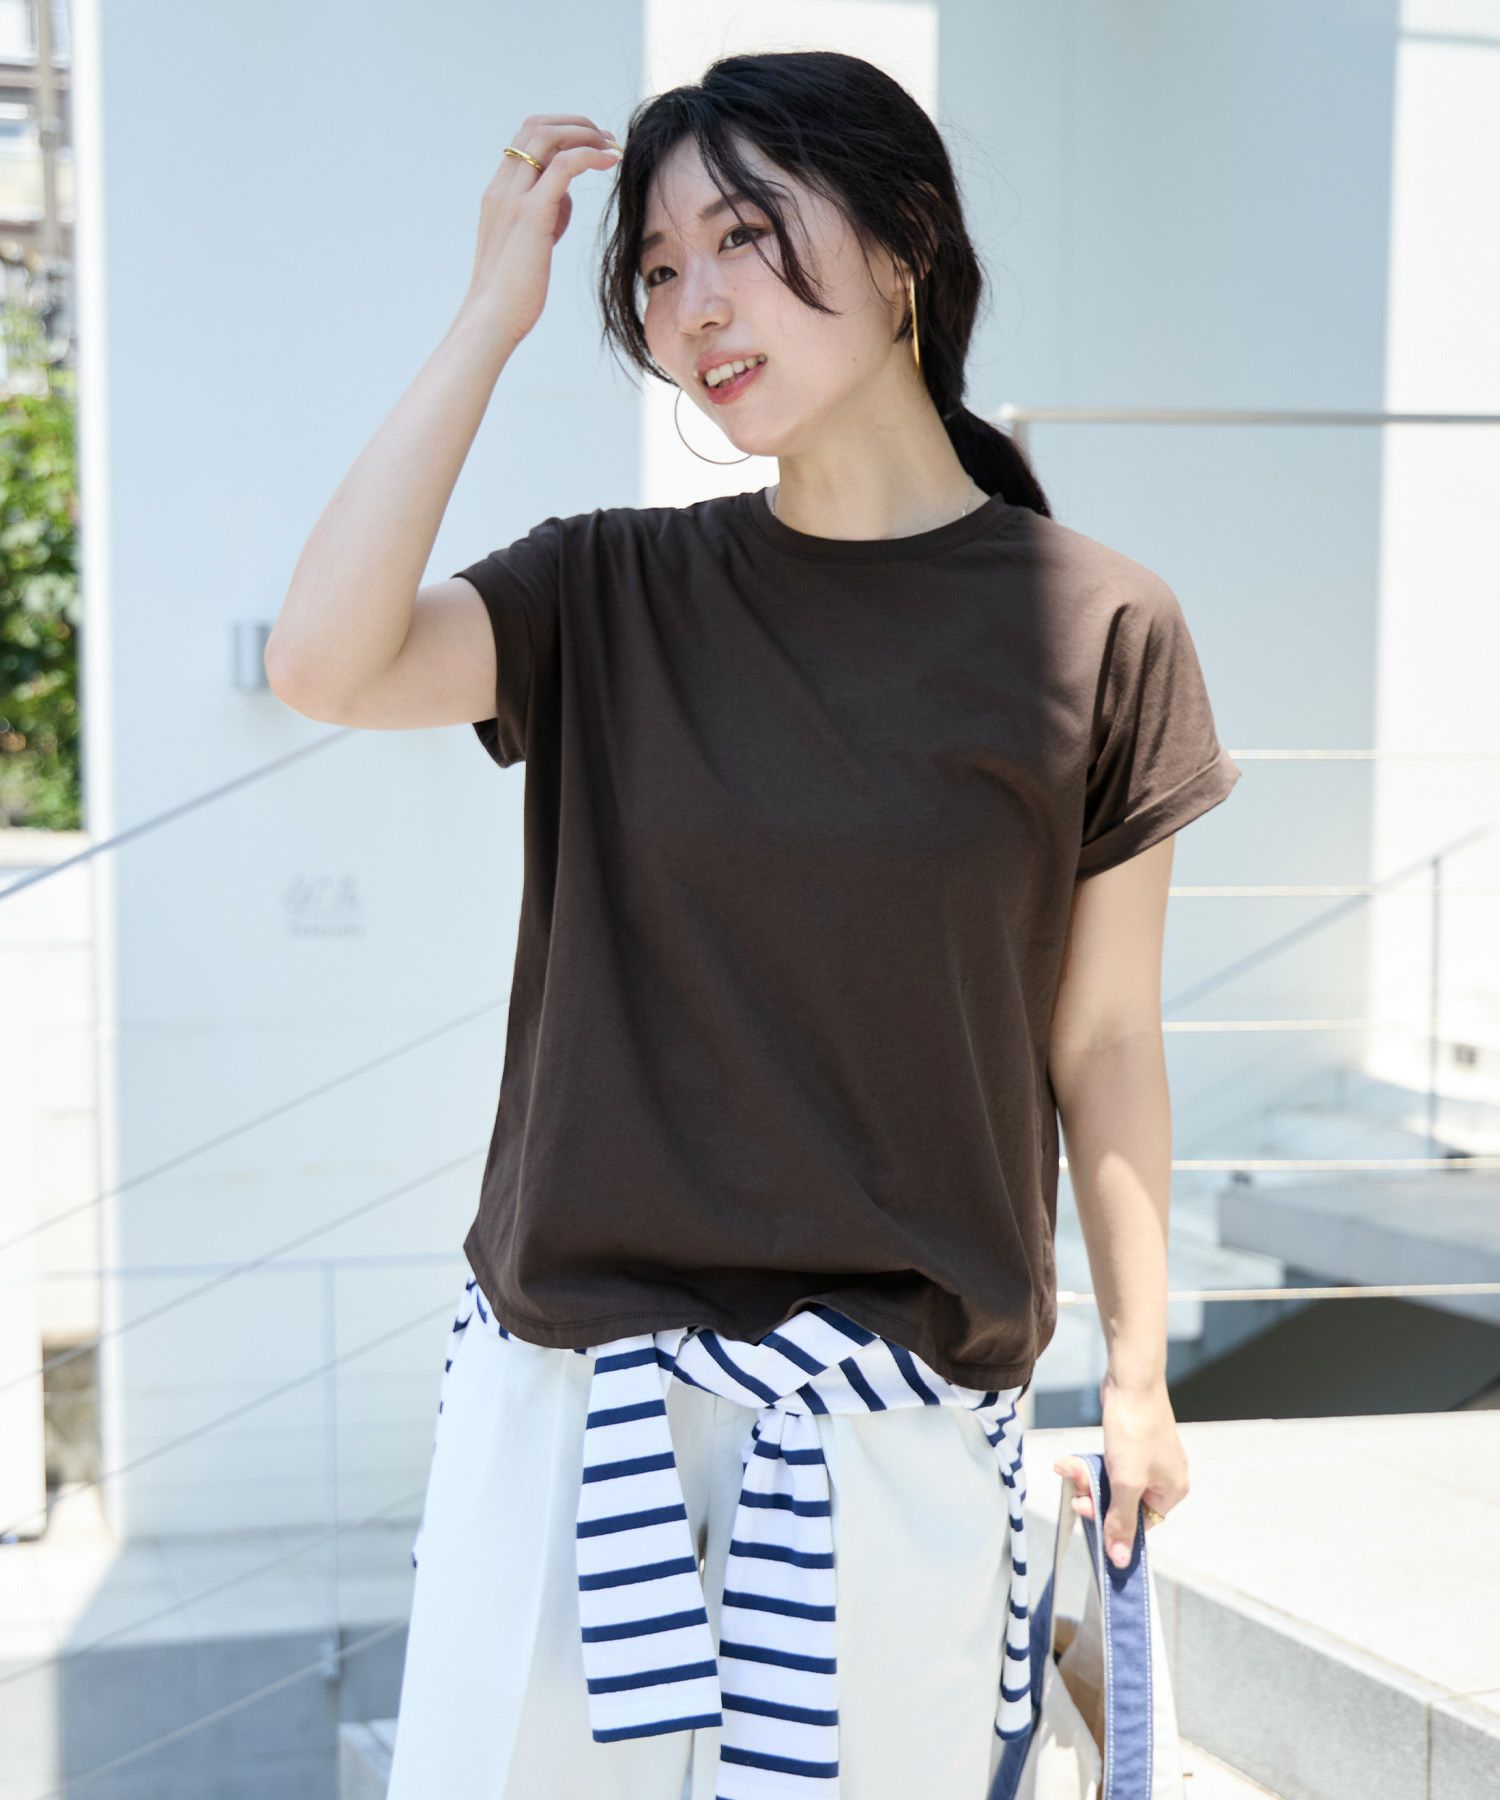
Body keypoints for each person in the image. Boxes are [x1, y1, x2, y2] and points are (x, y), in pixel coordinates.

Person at [266, 49, 1241, 1800]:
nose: (693, 303)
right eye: (654, 268)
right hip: (576, 1415)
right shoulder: (609, 588)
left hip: (892, 1437)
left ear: (904, 245)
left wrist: (1140, 1382)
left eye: (741, 235)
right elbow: (323, 661)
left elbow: (1102, 1043)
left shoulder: (1102, 628)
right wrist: (492, 315)